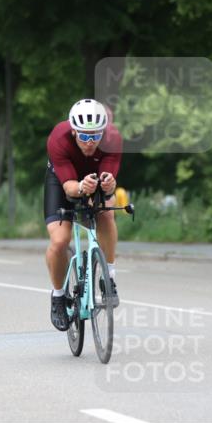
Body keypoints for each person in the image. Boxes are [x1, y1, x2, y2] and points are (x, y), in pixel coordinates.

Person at [45, 98, 122, 331]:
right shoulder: (58, 138)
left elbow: (109, 178)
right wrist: (80, 188)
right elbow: (69, 187)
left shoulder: (113, 138)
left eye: (96, 136)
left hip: (94, 176)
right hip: (62, 181)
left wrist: (108, 185)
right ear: (74, 131)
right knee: (60, 241)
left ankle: (108, 276)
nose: (90, 142)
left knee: (107, 215)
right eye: (84, 136)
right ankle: (58, 296)